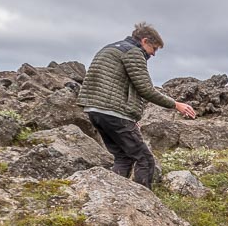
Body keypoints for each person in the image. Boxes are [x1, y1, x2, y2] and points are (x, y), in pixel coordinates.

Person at [77, 22, 196, 189]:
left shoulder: (110, 48)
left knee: (123, 157)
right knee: (145, 159)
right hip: (114, 113)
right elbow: (145, 88)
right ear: (144, 41)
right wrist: (175, 104)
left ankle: (116, 195)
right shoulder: (133, 52)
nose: (153, 54)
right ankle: (144, 201)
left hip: (95, 111)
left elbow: (118, 84)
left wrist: (130, 115)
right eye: (153, 49)